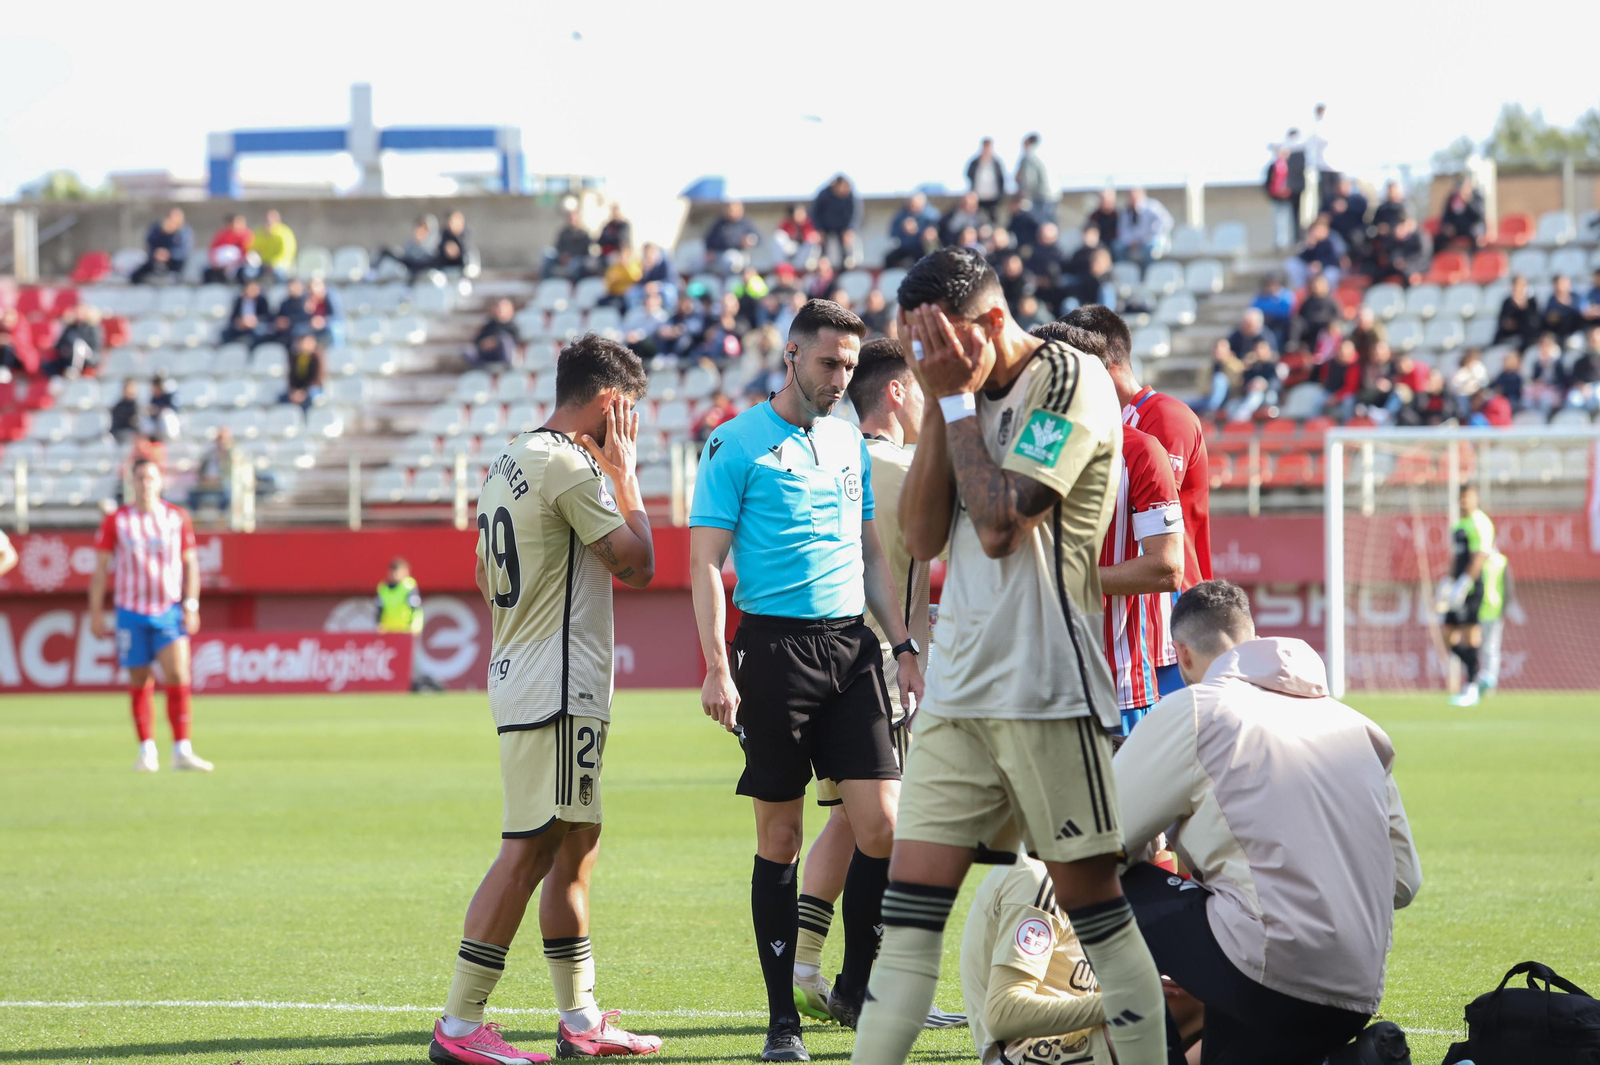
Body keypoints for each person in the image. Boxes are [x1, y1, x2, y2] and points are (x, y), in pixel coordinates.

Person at [851, 248, 1166, 1065]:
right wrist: (941, 398)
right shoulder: (953, 392)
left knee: (1097, 913)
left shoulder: (1068, 380)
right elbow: (924, 537)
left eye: (943, 343)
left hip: (1047, 688)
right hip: (957, 692)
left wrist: (953, 399)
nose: (931, 361)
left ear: (992, 322)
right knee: (908, 921)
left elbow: (998, 527)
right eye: (918, 348)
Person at [689, 299, 923, 1062]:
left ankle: (855, 987)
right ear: (791, 355)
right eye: (829, 363)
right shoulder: (734, 443)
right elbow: (705, 564)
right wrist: (716, 666)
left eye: (851, 365)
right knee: (781, 837)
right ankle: (782, 1022)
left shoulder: (849, 438)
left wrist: (902, 642)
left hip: (852, 649)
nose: (841, 378)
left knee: (883, 824)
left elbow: (871, 553)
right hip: (773, 653)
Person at [429, 334, 661, 1065]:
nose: (629, 428)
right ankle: (460, 1024)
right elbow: (640, 565)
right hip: (558, 685)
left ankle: (580, 1018)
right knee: (530, 849)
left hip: (529, 674)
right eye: (628, 413)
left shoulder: (508, 460)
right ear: (608, 403)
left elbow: (483, 576)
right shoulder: (568, 463)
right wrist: (625, 476)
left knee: (574, 846)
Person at [1115, 580, 1421, 1065]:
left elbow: (1099, 841)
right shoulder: (1359, 727)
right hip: (1357, 994)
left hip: (1264, 976)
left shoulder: (1197, 709)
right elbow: (1404, 881)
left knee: (1098, 881)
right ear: (1252, 639)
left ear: (1181, 654)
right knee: (1229, 913)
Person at [789, 337, 965, 1031]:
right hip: (889, 666)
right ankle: (877, 984)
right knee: (897, 828)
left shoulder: (830, 457)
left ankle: (804, 966)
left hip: (826, 658)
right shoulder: (903, 468)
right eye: (920, 389)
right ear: (896, 392)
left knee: (849, 818)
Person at [1034, 322, 1183, 736]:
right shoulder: (1024, 447)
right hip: (1027, 689)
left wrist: (1064, 577)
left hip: (1116, 688)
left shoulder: (1140, 451)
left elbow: (1168, 568)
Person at [1063, 304, 1212, 698]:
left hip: (1169, 620)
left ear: (1100, 366)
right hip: (1133, 616)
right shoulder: (1109, 424)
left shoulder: (1164, 417)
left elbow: (1149, 518)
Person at [87, 458, 212, 773]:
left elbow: (191, 563)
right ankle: (147, 750)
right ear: (132, 482)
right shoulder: (118, 520)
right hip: (131, 611)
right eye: (140, 478)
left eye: (150, 478)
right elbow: (100, 569)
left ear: (161, 481)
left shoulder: (176, 517)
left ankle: (182, 749)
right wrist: (96, 612)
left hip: (168, 609)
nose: (145, 484)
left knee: (178, 675)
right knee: (140, 680)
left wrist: (192, 604)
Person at [1437, 484, 1495, 707]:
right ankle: (1479, 674)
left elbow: (1480, 556)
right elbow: (1457, 558)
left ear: (1475, 499)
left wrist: (1464, 584)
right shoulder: (1459, 525)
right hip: (1456, 588)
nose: (1463, 502)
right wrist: (1449, 582)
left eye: (1467, 497)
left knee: (1470, 637)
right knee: (1447, 637)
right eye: (1461, 498)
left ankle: (1471, 687)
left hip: (1472, 588)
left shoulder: (1480, 522)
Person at [375, 557, 441, 693]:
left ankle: (427, 684)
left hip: (406, 631)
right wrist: (379, 625)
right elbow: (379, 610)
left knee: (413, 662)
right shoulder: (383, 588)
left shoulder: (408, 586)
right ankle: (398, 686)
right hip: (390, 633)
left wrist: (415, 627)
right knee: (392, 663)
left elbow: (415, 609)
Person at [129, 208, 192, 285]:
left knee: (174, 278)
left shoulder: (184, 232)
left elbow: (184, 251)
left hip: (175, 263)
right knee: (135, 276)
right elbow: (150, 243)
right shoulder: (157, 228)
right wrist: (163, 233)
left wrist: (168, 254)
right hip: (155, 261)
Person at [1263, 143, 1306, 250]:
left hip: (1290, 198)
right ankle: (1281, 243)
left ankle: (1295, 240)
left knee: (1291, 220)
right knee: (1279, 220)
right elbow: (1268, 183)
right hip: (1277, 198)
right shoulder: (1273, 166)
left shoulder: (1293, 165)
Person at [813, 175, 860, 269]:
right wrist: (819, 230)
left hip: (843, 228)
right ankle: (823, 269)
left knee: (846, 250)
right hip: (825, 227)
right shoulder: (824, 194)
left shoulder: (850, 195)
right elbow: (815, 213)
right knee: (822, 250)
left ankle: (846, 268)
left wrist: (850, 229)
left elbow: (855, 214)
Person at [1117, 189, 1172, 265]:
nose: (1132, 199)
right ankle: (1124, 270)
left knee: (1149, 249)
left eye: (1134, 196)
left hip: (1152, 241)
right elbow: (1123, 231)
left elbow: (1167, 221)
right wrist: (1130, 241)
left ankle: (1148, 271)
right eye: (1130, 196)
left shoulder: (1152, 206)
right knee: (1118, 247)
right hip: (1135, 242)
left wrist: (1151, 234)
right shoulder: (1127, 212)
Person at [704, 201, 761, 275]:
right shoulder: (720, 223)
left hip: (740, 254)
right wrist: (709, 250)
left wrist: (749, 240)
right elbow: (708, 240)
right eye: (729, 209)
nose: (730, 212)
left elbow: (758, 238)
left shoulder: (745, 223)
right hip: (720, 254)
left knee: (732, 258)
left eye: (733, 210)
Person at [188, 426, 235, 516]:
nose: (221, 442)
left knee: (227, 495)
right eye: (219, 439)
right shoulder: (209, 455)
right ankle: (196, 518)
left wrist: (218, 480)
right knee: (192, 494)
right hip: (207, 484)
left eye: (223, 439)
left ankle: (222, 517)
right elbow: (200, 472)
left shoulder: (233, 455)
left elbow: (231, 474)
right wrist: (204, 479)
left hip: (223, 485)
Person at [45, 305, 101, 378]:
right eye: (76, 312)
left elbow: (95, 347)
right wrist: (65, 350)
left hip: (88, 358)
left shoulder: (91, 328)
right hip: (69, 357)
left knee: (79, 345)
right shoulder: (70, 327)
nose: (78, 314)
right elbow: (60, 344)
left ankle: (74, 370)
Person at [378, 217, 439, 282]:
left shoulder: (435, 244)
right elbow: (406, 257)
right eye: (419, 227)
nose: (420, 230)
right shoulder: (411, 242)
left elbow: (429, 258)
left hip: (422, 270)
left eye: (424, 228)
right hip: (408, 268)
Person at [221, 279, 274, 348]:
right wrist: (239, 322)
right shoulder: (239, 301)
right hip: (241, 326)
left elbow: (267, 316)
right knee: (226, 333)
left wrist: (255, 320)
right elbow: (233, 317)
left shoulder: (262, 300)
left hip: (256, 326)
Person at [204, 214, 255, 283]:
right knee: (208, 273)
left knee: (242, 273)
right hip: (222, 265)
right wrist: (215, 263)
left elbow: (247, 252)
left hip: (239, 264)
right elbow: (213, 249)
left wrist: (235, 263)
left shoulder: (246, 234)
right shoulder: (223, 234)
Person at [1435, 180, 1484, 251]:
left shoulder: (1476, 196)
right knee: (1439, 238)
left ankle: (1475, 257)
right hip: (1456, 228)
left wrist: (1467, 201)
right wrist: (1447, 225)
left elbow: (1478, 216)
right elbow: (1446, 216)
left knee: (1476, 238)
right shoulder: (1452, 199)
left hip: (1472, 227)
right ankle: (1441, 256)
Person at [472, 299, 523, 368]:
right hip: (488, 355)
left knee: (504, 339)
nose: (498, 310)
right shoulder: (489, 326)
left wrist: (496, 342)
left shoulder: (513, 327)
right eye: (497, 307)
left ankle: (505, 366)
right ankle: (479, 367)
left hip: (506, 357)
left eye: (501, 308)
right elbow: (477, 341)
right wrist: (485, 343)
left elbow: (516, 343)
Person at [281, 332, 325, 411]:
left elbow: (317, 378)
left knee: (310, 397)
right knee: (282, 398)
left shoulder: (317, 356)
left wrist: (304, 392)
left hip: (313, 388)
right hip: (298, 389)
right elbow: (292, 377)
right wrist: (294, 391)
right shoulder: (295, 357)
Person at [966, 138, 1007, 221]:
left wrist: (1001, 196)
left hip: (994, 198)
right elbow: (968, 174)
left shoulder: (996, 163)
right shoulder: (975, 162)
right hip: (978, 198)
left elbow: (1001, 179)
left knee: (994, 220)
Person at [547, 210, 596, 280]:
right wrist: (562, 255)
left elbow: (584, 250)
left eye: (573, 218)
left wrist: (569, 256)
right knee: (548, 257)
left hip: (578, 258)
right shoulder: (563, 232)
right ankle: (547, 282)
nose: (572, 220)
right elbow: (558, 246)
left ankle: (572, 284)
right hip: (563, 257)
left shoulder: (583, 233)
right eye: (570, 218)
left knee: (574, 263)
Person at [1014, 133, 1053, 220]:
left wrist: (1024, 198)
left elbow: (1029, 181)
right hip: (1051, 194)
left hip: (1041, 196)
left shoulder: (1029, 156)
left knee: (1042, 223)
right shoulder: (1041, 153)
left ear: (1027, 143)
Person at [774, 203, 822, 270]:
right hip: (790, 250)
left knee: (814, 243)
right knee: (778, 236)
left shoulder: (808, 223)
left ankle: (809, 267)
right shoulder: (787, 223)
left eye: (802, 213)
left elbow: (813, 237)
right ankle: (781, 265)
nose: (801, 215)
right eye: (798, 213)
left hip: (803, 252)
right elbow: (781, 236)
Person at [253, 209, 297, 280]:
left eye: (271, 220)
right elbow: (254, 248)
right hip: (263, 264)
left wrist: (272, 264)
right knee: (249, 272)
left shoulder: (284, 233)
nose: (269, 223)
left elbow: (286, 253)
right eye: (267, 220)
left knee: (279, 274)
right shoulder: (260, 232)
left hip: (280, 265)